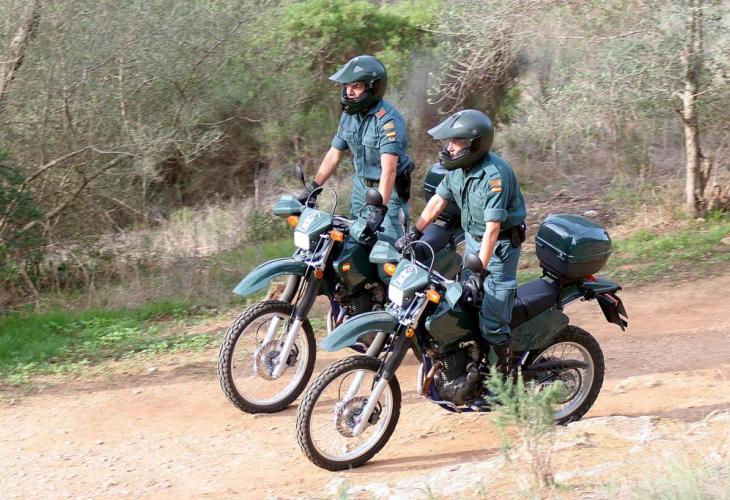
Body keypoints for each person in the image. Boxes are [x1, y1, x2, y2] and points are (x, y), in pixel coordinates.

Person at [405, 109, 526, 374]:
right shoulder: (458, 168)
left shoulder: (495, 176)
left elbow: (493, 229)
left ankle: (503, 379)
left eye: (456, 141)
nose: (449, 147)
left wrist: (480, 271)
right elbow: (438, 201)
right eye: (449, 141)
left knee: (493, 318)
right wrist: (414, 232)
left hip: (499, 248)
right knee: (465, 304)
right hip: (473, 241)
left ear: (474, 144)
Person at [297, 55, 413, 240]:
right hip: (360, 189)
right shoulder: (349, 115)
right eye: (347, 86)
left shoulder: (388, 122)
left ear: (373, 87)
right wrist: (313, 187)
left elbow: (389, 171)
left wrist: (380, 209)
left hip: (388, 193)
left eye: (356, 86)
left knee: (388, 250)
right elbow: (334, 153)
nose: (349, 91)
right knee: (355, 243)